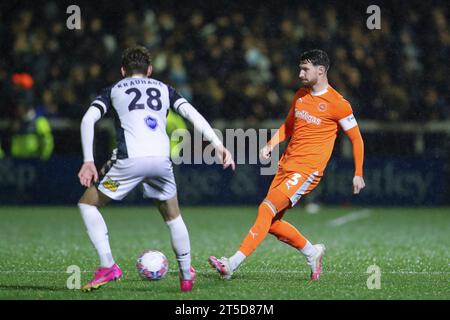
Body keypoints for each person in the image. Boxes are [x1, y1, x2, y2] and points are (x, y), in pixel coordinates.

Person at [77, 45, 235, 292]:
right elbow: (192, 114)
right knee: (173, 216)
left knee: (88, 204)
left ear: (123, 71)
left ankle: (108, 266)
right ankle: (185, 275)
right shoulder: (165, 89)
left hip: (130, 159)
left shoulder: (114, 90)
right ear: (149, 70)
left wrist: (88, 160)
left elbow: (88, 119)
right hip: (162, 160)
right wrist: (217, 144)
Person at [209, 49, 365, 281]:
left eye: (305, 69)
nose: (300, 73)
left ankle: (231, 264)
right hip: (286, 165)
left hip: (307, 170)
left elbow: (356, 138)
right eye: (300, 68)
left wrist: (358, 173)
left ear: (321, 71)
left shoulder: (338, 104)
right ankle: (313, 252)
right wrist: (271, 145)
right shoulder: (300, 96)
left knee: (265, 208)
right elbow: (289, 126)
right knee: (271, 223)